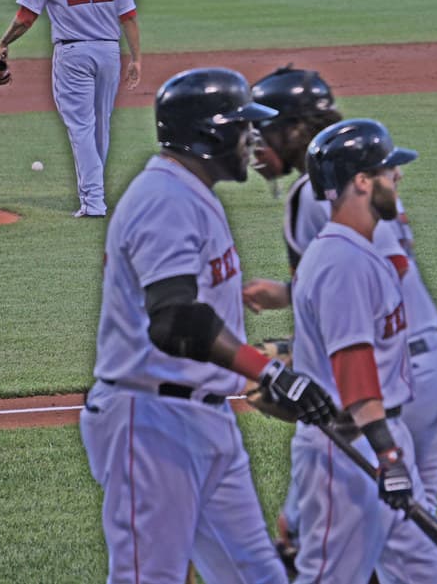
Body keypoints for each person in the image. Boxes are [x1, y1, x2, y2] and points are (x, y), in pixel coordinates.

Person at [79, 67, 336, 584]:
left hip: (204, 419)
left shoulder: (192, 194)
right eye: (243, 127)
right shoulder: (164, 199)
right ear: (211, 133)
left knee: (256, 577)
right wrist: (267, 370)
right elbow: (175, 320)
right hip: (151, 420)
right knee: (148, 576)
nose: (252, 139)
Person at [243, 66, 437, 532]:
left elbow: (353, 288)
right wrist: (287, 295)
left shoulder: (317, 196)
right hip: (430, 364)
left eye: (264, 130)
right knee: (412, 537)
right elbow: (376, 279)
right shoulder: (369, 183)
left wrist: (308, 366)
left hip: (390, 377)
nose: (256, 143)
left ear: (295, 130)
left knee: (306, 533)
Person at [285, 118, 437, 583]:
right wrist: (390, 458)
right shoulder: (342, 263)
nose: (396, 177)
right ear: (361, 182)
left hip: (377, 437)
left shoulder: (359, 252)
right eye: (386, 170)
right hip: (352, 449)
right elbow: (354, 371)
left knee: (426, 572)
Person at [0, 0, 141, 218]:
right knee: (100, 126)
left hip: (73, 54)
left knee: (82, 127)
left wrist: (4, 42)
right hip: (109, 51)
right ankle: (93, 197)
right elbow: (129, 17)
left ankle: (94, 202)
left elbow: (26, 18)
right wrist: (136, 58)